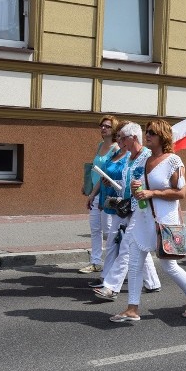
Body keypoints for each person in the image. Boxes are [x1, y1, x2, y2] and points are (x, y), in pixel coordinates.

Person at [111, 119, 186, 322]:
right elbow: (145, 190)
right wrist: (138, 189)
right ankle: (132, 308)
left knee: (169, 266)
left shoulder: (173, 160)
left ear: (162, 136)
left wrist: (151, 192)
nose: (148, 136)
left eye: (152, 133)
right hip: (144, 219)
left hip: (164, 220)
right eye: (147, 132)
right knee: (135, 262)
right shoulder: (145, 161)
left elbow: (181, 192)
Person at [89, 121, 161, 301]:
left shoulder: (147, 157)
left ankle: (111, 287)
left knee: (127, 245)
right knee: (135, 245)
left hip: (142, 210)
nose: (120, 141)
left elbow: (153, 182)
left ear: (133, 138)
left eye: (123, 138)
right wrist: (114, 185)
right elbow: (126, 185)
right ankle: (152, 283)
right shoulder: (129, 158)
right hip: (126, 207)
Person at [79, 115, 118, 274]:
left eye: (107, 126)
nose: (103, 128)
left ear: (114, 129)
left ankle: (114, 261)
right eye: (102, 125)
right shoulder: (100, 145)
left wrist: (93, 192)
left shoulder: (116, 149)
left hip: (106, 194)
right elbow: (96, 169)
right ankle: (95, 261)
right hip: (94, 193)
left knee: (108, 230)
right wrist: (87, 185)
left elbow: (106, 175)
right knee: (95, 229)